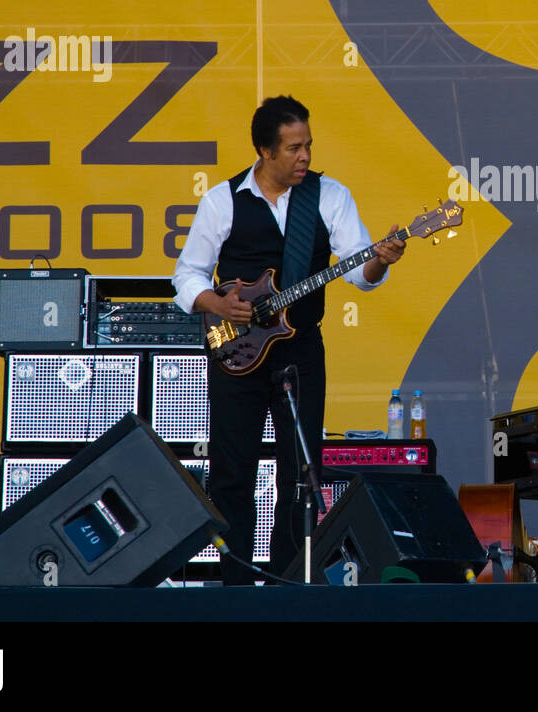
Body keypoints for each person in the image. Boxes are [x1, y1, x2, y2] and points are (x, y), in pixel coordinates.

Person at [173, 95, 404, 584]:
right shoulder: (222, 200)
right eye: (294, 148)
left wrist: (381, 258)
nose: (305, 157)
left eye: (309, 147)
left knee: (299, 473)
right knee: (233, 472)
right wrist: (219, 305)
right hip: (236, 349)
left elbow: (360, 271)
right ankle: (235, 585)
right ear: (264, 151)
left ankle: (287, 582)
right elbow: (187, 276)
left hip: (299, 353)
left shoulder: (329, 196)